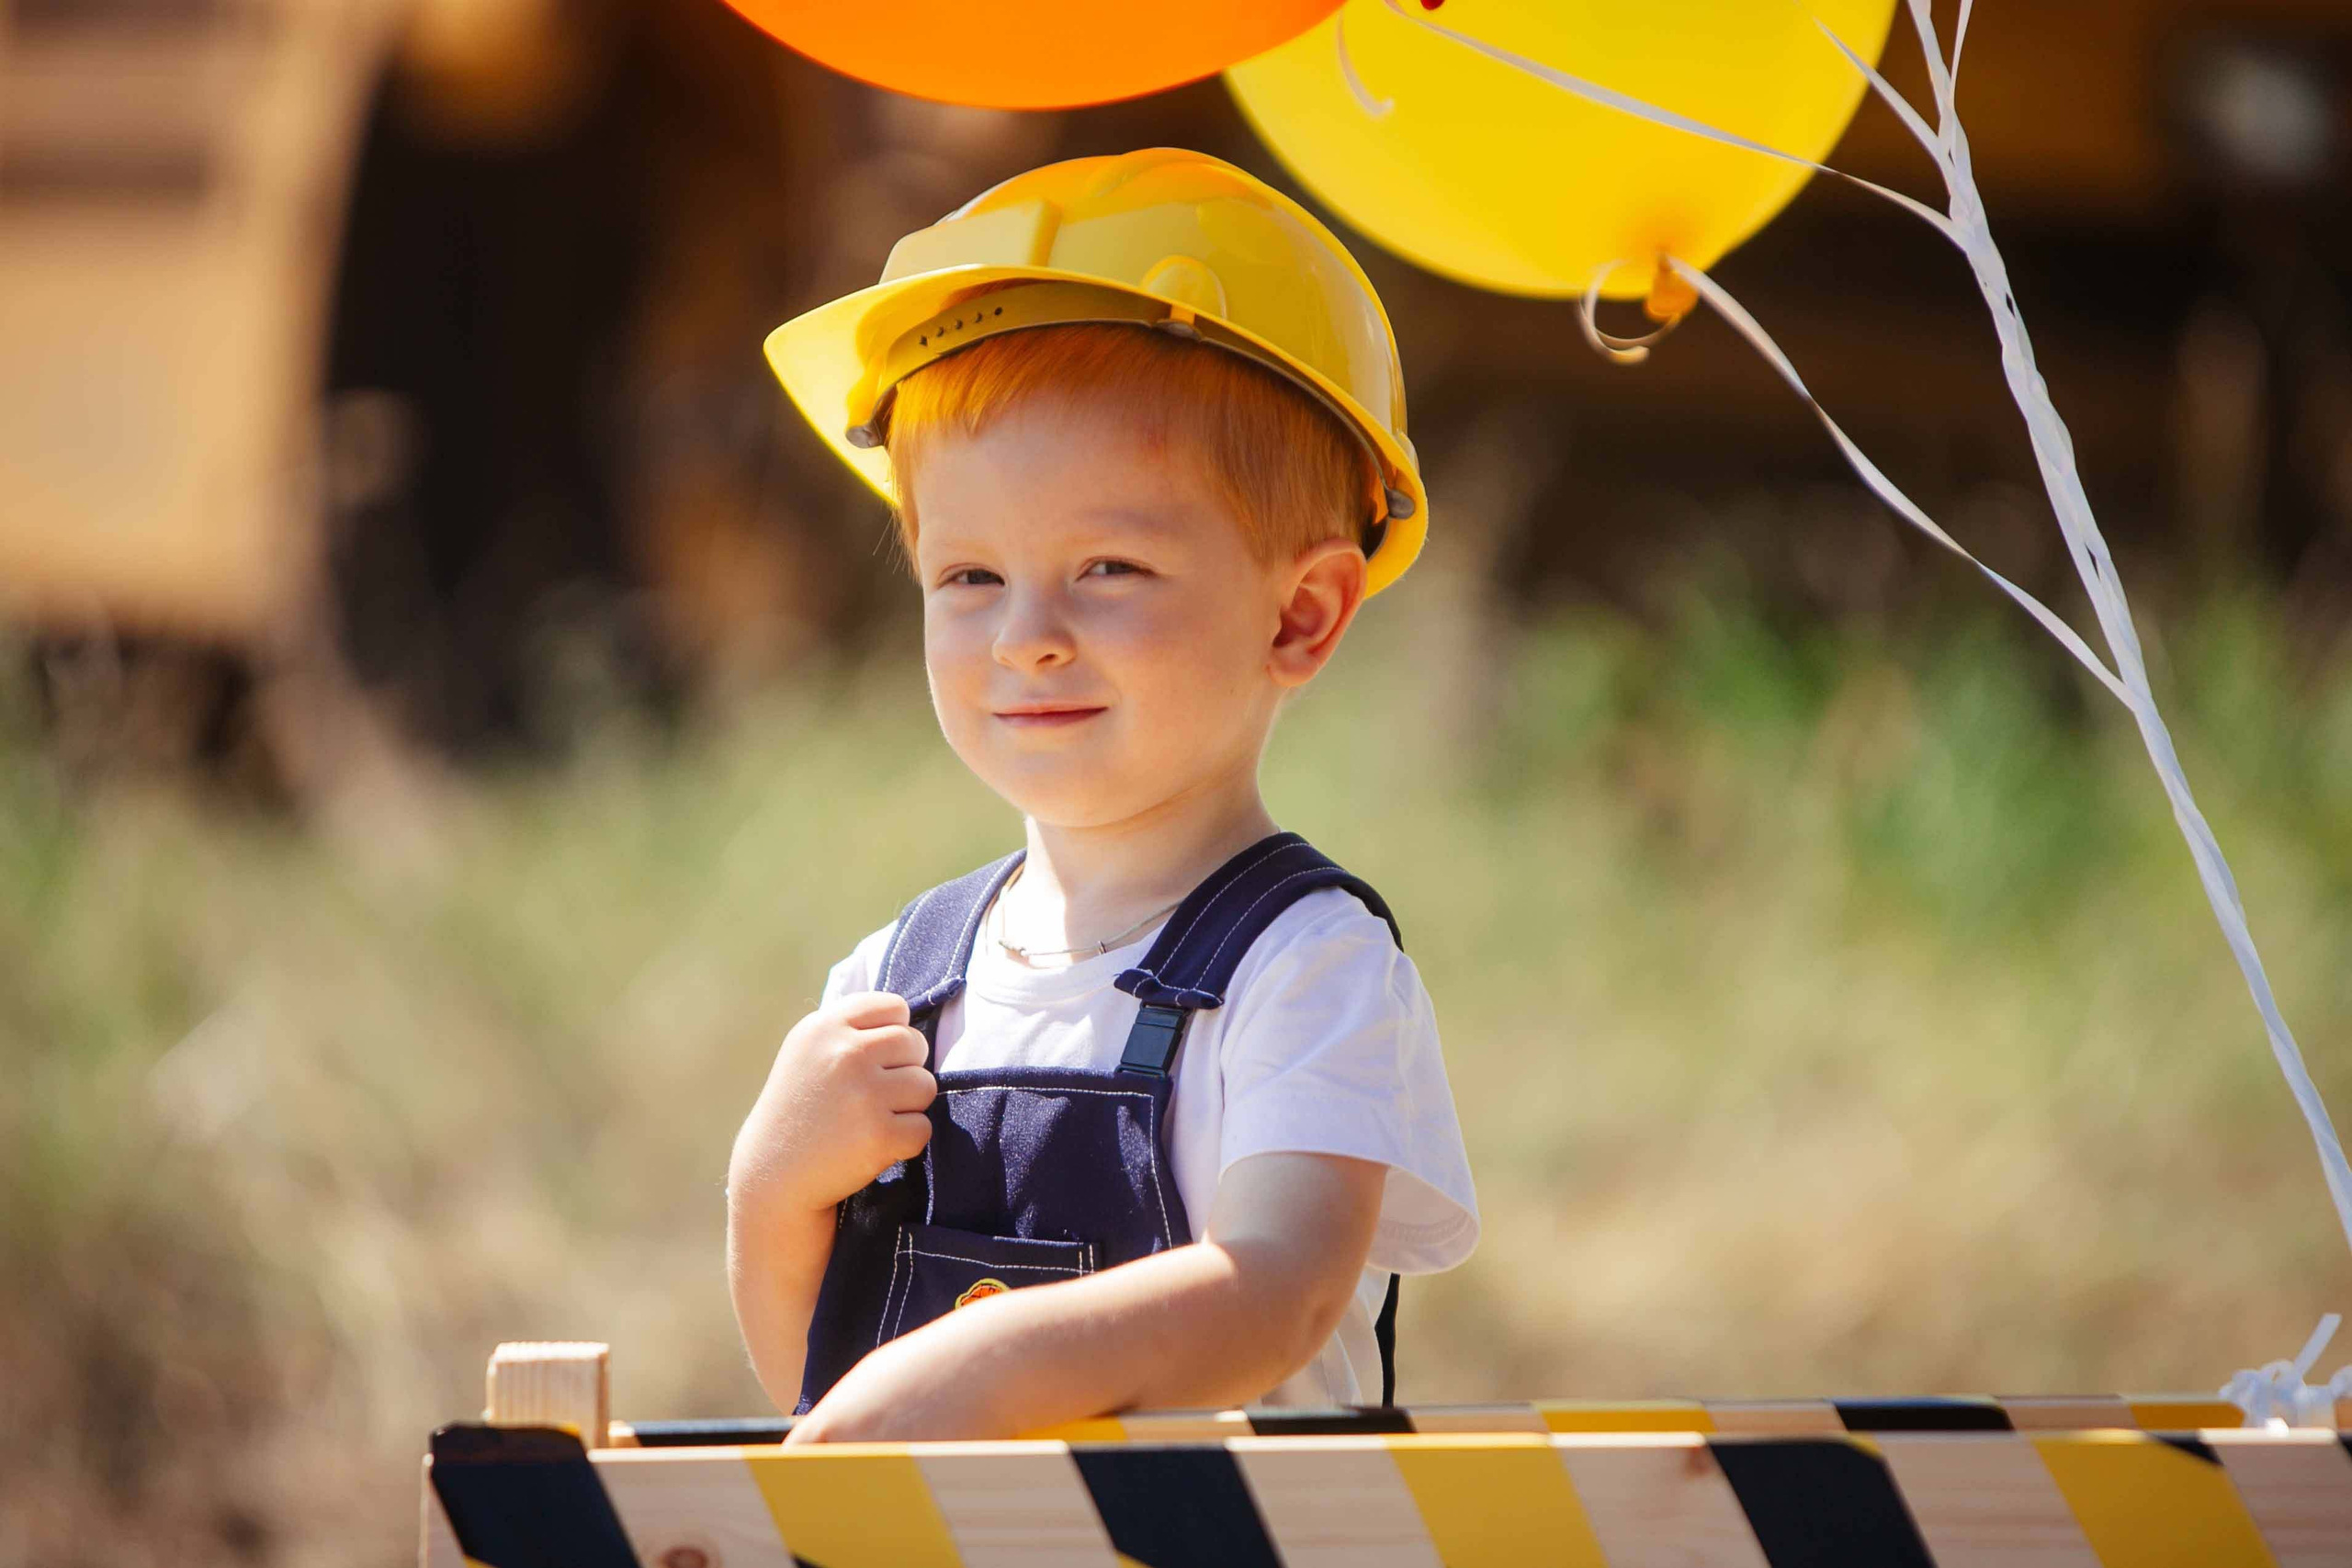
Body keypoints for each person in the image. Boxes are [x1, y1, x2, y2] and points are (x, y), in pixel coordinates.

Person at [726, 148, 1478, 1442]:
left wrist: (989, 1364)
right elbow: (831, 1403)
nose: (1026, 638)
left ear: (1299, 615)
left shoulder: (1305, 970)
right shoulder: (896, 987)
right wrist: (770, 1193)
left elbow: (1277, 1296)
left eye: (1110, 567)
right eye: (969, 578)